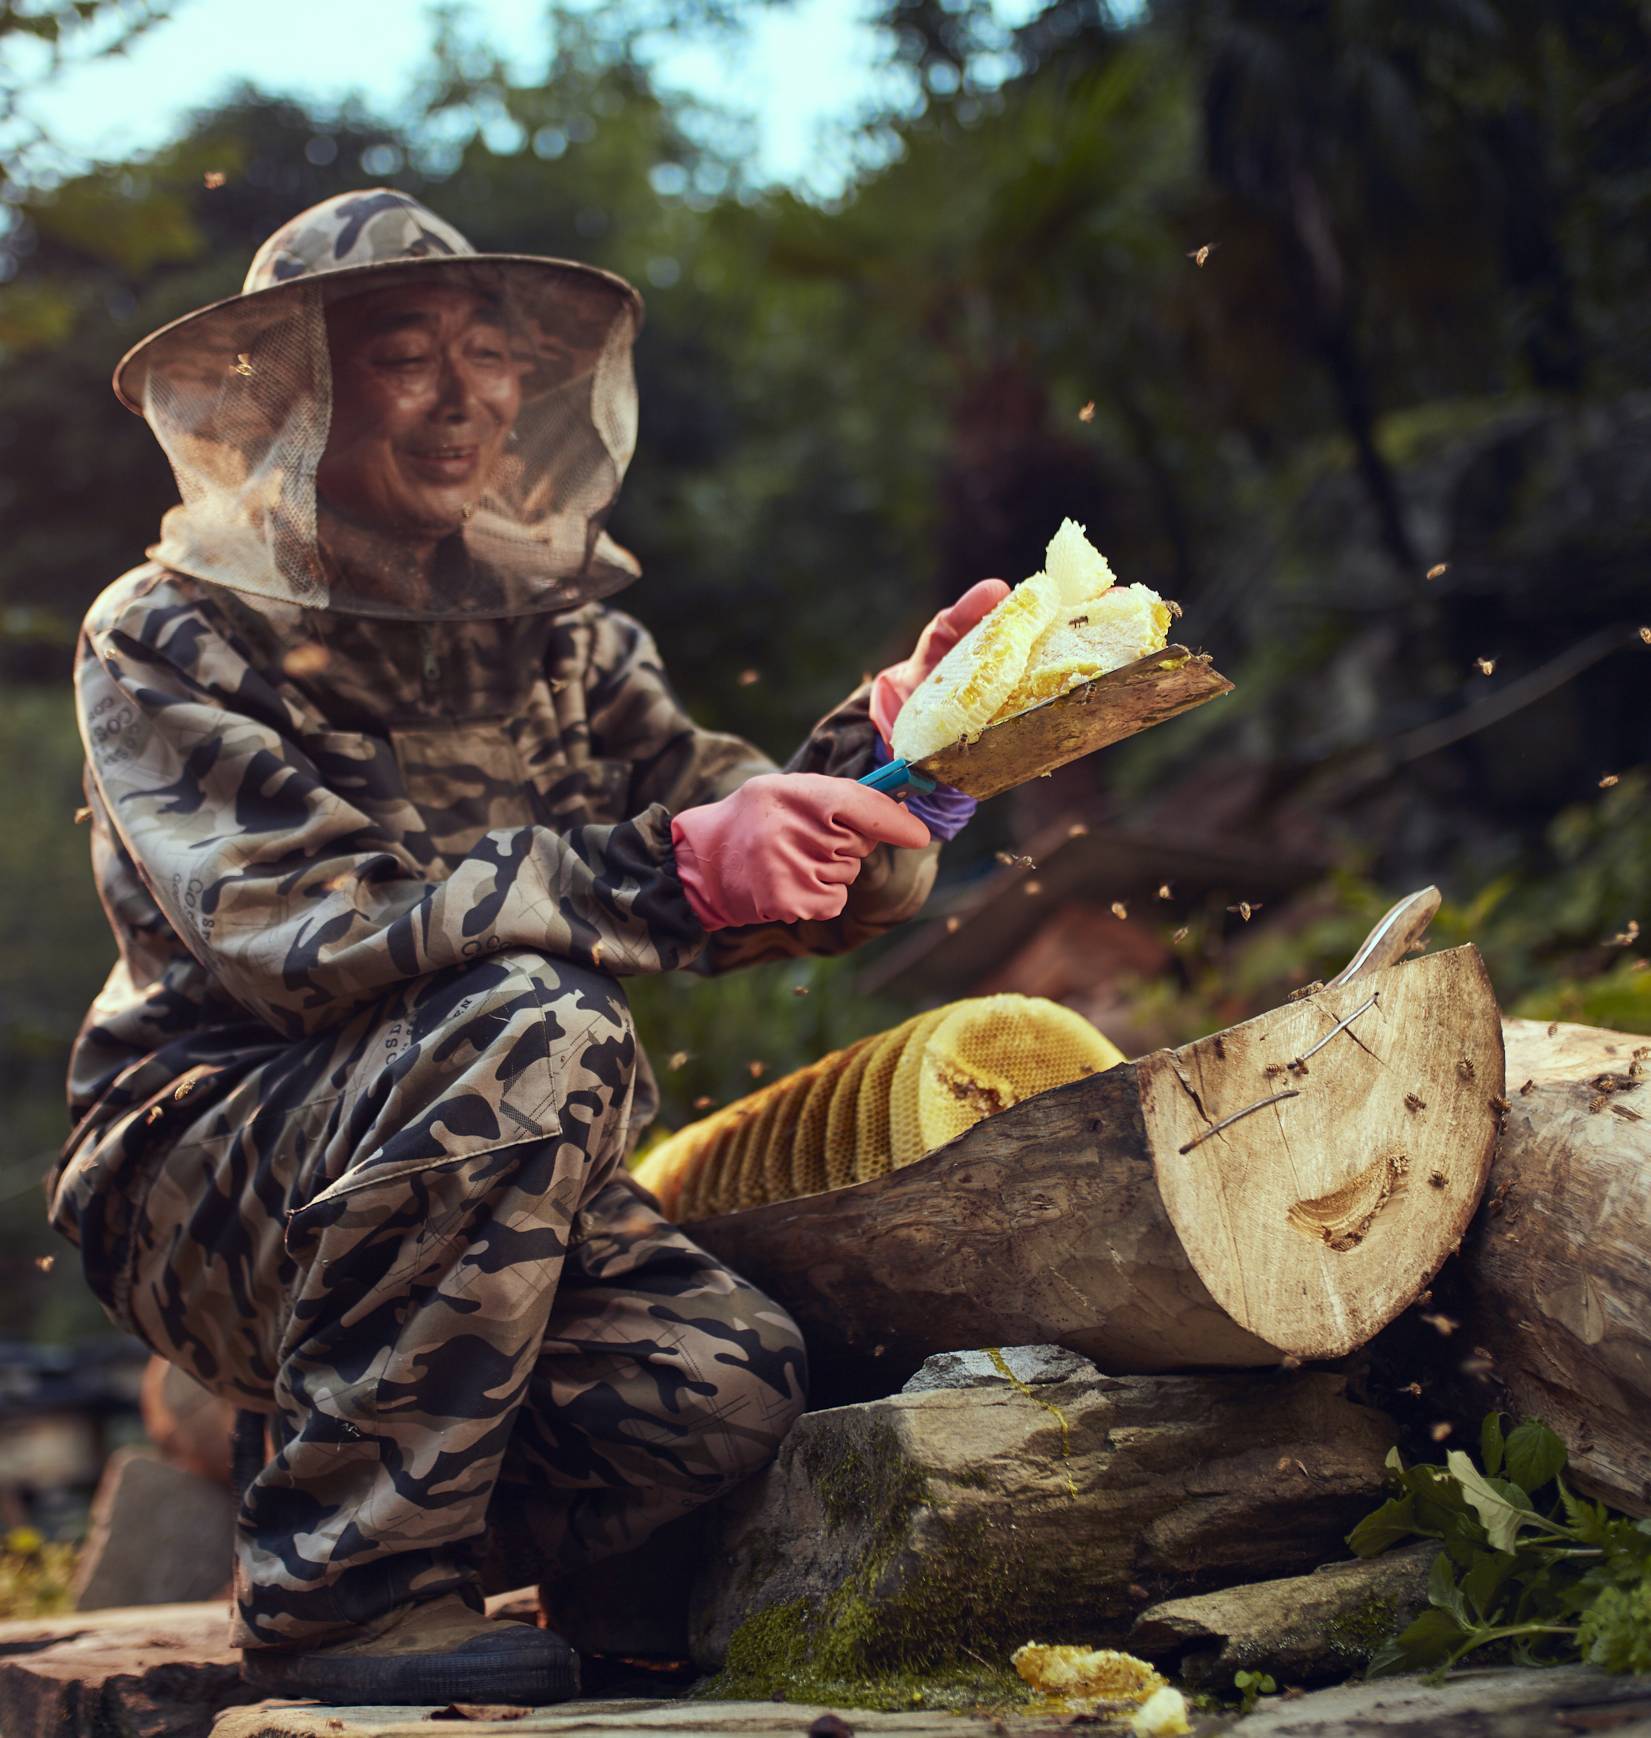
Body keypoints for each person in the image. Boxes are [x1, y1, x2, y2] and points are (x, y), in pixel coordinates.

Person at [49, 188, 1005, 1706]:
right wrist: (680, 869)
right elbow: (309, 930)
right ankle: (343, 1591)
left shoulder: (562, 631)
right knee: (532, 1015)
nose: (466, 397)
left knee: (720, 1394)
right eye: (404, 356)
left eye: (489, 353)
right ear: (297, 391)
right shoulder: (166, 633)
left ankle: (331, 1477)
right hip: (205, 1171)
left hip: (490, 1164)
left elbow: (717, 828)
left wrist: (894, 757)